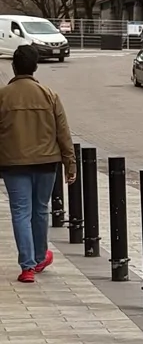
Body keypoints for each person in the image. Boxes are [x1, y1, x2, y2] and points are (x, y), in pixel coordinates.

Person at [0, 45, 76, 283]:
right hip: (46, 162)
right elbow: (63, 133)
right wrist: (70, 164)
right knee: (40, 209)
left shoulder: (3, 96)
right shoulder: (49, 95)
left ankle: (27, 266)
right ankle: (41, 256)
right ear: (35, 66)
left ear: (14, 66)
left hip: (13, 163)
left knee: (21, 212)